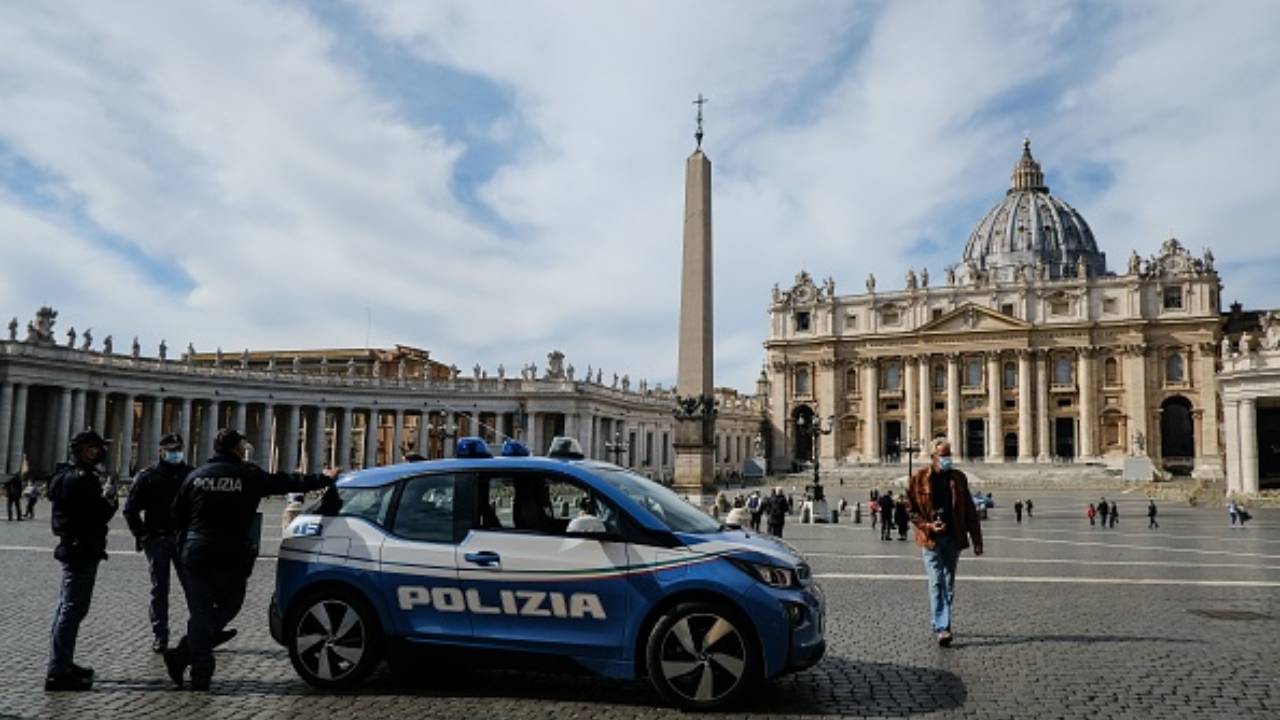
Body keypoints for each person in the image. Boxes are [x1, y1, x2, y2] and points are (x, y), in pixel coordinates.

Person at [164, 429, 337, 691]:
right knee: (229, 605)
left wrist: (185, 543)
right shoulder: (248, 474)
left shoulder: (196, 476)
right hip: (230, 551)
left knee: (201, 613)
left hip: (196, 551)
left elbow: (176, 515)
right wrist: (323, 478)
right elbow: (287, 482)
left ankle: (185, 658)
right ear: (236, 449)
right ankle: (197, 668)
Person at [45, 430, 117, 691]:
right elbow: (96, 514)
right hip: (82, 548)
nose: (96, 452)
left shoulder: (63, 474)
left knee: (66, 608)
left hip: (72, 546)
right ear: (80, 450)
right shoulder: (83, 479)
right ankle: (58, 672)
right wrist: (110, 500)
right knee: (72, 609)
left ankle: (62, 661)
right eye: (91, 447)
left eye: (97, 447)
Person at [906, 438, 983, 647]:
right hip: (930, 538)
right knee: (936, 581)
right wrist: (928, 526)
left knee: (948, 584)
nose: (948, 458)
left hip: (953, 537)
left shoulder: (958, 478)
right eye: (944, 455)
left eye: (949, 454)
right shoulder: (919, 478)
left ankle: (939, 621)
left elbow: (969, 509)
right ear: (933, 456)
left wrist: (977, 540)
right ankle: (943, 627)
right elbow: (910, 509)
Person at [123, 433, 194, 653]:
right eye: (171, 450)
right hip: (157, 539)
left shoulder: (191, 475)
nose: (175, 453)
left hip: (184, 540)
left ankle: (199, 633)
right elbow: (130, 509)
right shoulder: (148, 476)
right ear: (161, 451)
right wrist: (142, 536)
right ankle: (160, 635)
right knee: (159, 589)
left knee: (194, 588)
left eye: (178, 449)